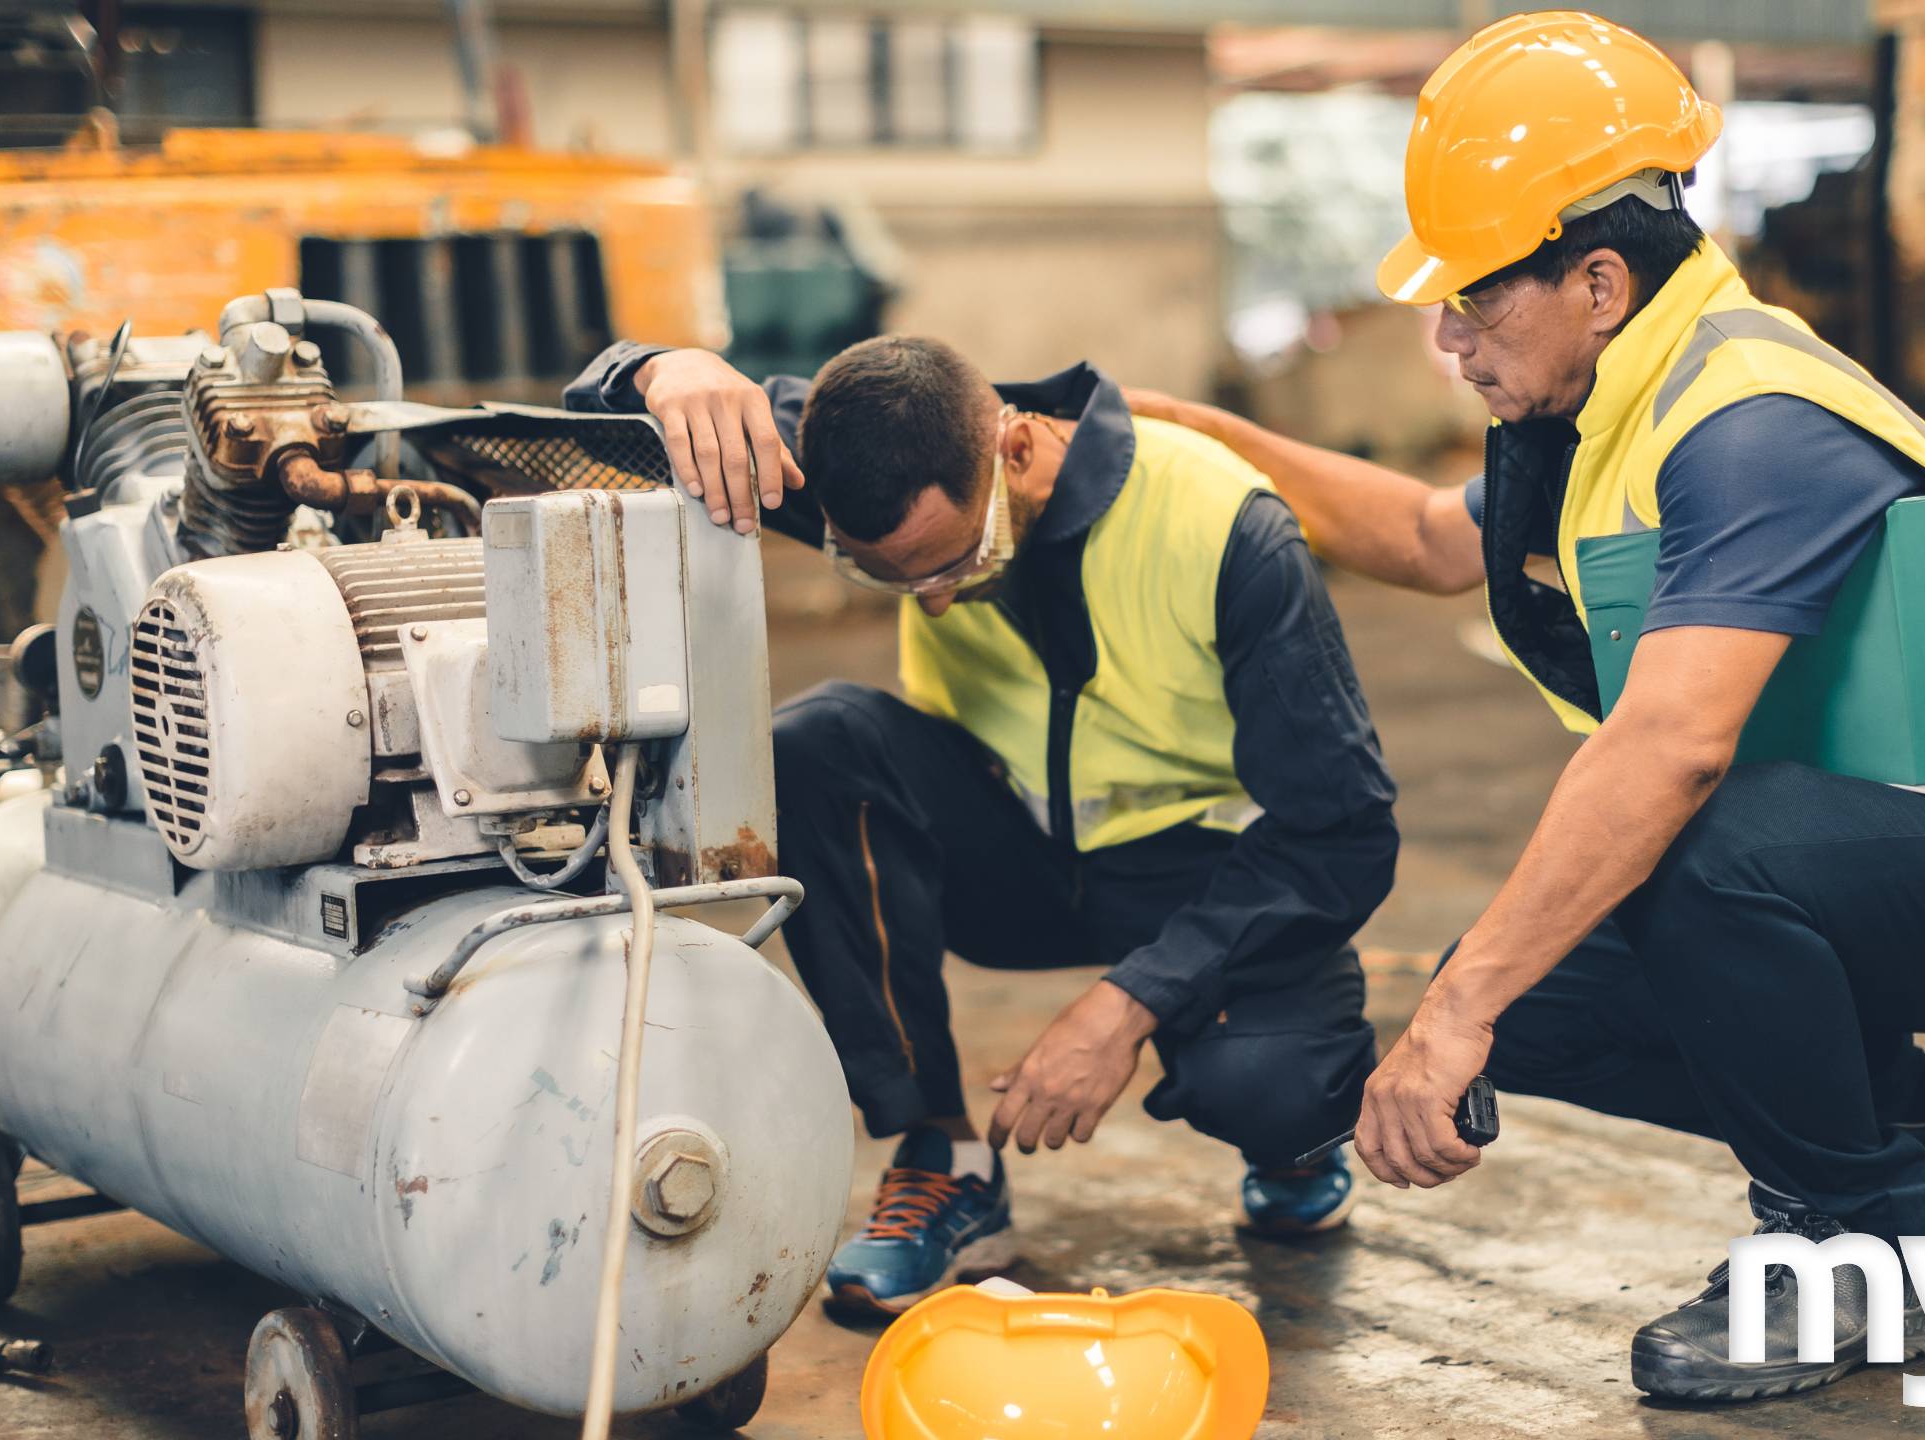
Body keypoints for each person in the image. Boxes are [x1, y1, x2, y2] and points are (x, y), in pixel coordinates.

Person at [1129, 12, 1925, 1402]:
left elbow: (1675, 748)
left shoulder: (1751, 418)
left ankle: (1850, 1252)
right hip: (1858, 853)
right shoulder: (1597, 414)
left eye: (1478, 299)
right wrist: (1209, 440)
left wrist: (1450, 1014)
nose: (1449, 338)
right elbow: (1442, 544)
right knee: (1535, 999)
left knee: (1670, 853)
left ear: (1601, 281)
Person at [563, 335, 1396, 1319]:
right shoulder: (854, 448)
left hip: (1197, 877)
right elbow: (591, 429)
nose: (937, 596)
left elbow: (1343, 832)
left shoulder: (1228, 531)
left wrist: (1128, 1001)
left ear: (1017, 450)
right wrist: (659, 367)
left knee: (1274, 1085)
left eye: (956, 558)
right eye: (890, 576)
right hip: (1014, 859)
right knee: (817, 743)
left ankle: (1292, 1145)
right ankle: (943, 1154)